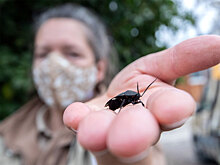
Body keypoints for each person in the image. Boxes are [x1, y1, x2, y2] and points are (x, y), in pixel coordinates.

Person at [63, 35, 220, 165]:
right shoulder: (127, 97)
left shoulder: (135, 99)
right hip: (114, 104)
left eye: (74, 54)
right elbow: (120, 101)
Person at [0, 3, 118, 165]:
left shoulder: (118, 127)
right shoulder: (6, 134)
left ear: (99, 69)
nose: (54, 64)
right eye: (43, 54)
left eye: (72, 53)